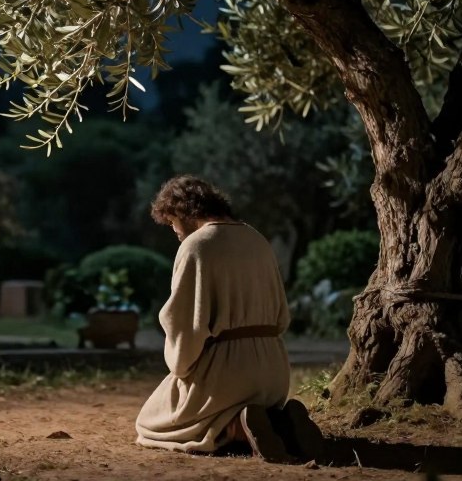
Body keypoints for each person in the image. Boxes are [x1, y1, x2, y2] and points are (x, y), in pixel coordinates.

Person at [134, 175, 324, 462]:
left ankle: (237, 427)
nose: (173, 231)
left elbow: (185, 323)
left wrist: (181, 365)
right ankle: (280, 423)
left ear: (183, 211)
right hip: (274, 371)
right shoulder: (257, 238)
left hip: (227, 372)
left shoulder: (196, 246)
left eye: (172, 221)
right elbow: (282, 316)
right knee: (243, 400)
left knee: (151, 421)